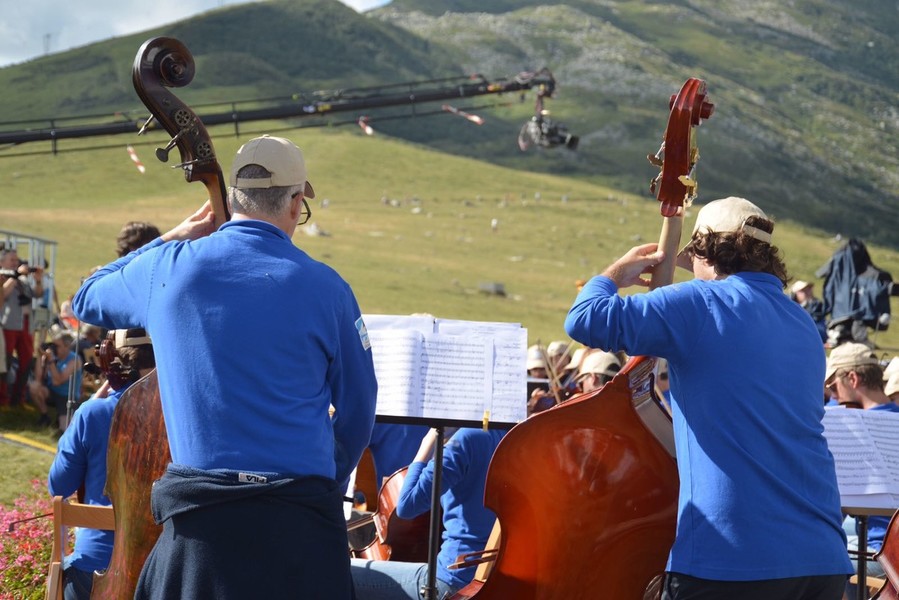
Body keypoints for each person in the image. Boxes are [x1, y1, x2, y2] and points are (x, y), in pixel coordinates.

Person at [72, 134, 379, 599]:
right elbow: (359, 407)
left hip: (198, 539)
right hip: (302, 538)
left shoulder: (170, 268)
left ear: (233, 198)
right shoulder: (329, 288)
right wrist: (319, 481)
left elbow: (87, 295)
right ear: (296, 204)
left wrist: (172, 238)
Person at [565, 196, 852, 599]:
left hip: (733, 557)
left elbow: (584, 320)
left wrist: (615, 275)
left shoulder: (700, 303)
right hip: (821, 557)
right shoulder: (802, 324)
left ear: (707, 252)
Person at [48, 328, 155, 600]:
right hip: (160, 576)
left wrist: (88, 412)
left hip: (93, 572)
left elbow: (59, 485)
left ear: (117, 364)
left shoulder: (93, 413)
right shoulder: (180, 419)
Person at [351, 426, 506, 600]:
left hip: (453, 580)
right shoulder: (521, 436)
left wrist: (429, 441)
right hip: (502, 581)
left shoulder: (466, 439)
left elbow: (406, 506)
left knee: (342, 572)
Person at [823, 342, 899, 596]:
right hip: (883, 539)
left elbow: (837, 511)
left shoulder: (851, 426)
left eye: (834, 386)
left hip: (882, 552)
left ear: (853, 379)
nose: (833, 396)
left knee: (822, 559)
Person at [1, 248, 43, 406]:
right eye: (11, 260)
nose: (15, 263)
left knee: (26, 361)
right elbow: (3, 294)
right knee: (5, 362)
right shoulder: (3, 277)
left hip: (25, 323)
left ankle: (19, 398)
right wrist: (16, 275)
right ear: (2, 262)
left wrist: (38, 280)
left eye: (16, 260)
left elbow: (37, 294)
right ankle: (3, 399)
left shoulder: (23, 280)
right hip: (8, 324)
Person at [28, 330, 81, 431]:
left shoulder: (74, 360)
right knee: (34, 387)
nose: (54, 348)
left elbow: (58, 381)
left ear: (67, 347)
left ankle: (60, 417)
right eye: (53, 345)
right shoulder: (52, 356)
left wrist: (51, 360)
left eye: (57, 346)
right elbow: (38, 378)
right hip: (52, 392)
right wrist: (40, 356)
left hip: (67, 397)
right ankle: (45, 416)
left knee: (64, 429)